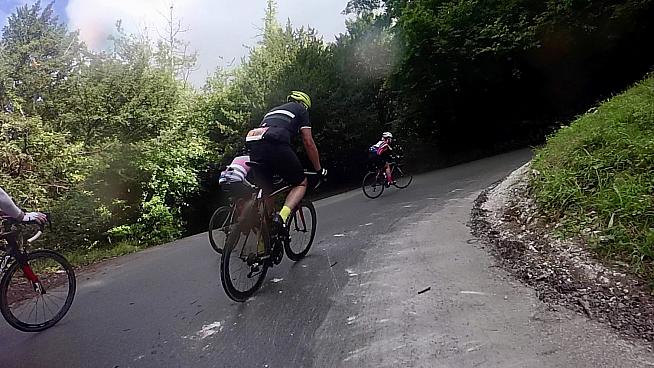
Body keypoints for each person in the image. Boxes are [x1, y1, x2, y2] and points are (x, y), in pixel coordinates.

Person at [245, 91, 326, 235]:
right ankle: (281, 218)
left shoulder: (272, 112)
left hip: (254, 145)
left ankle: (265, 239)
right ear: (304, 104)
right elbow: (308, 142)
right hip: (275, 143)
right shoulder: (301, 110)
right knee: (301, 183)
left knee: (267, 192)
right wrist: (318, 169)